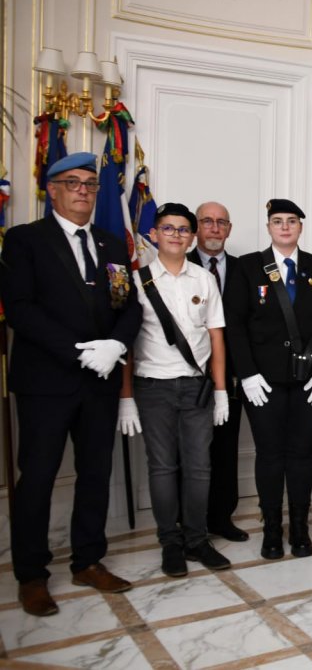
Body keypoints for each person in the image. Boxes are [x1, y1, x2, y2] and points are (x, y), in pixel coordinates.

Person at [1, 152, 141, 616]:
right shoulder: (25, 241)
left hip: (99, 383)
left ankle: (88, 560)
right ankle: (32, 575)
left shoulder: (112, 244)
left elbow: (130, 307)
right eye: (72, 182)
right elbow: (20, 309)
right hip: (47, 382)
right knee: (38, 478)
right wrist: (81, 350)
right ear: (52, 191)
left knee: (95, 475)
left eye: (90, 184)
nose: (83, 190)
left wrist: (115, 348)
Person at [118, 202, 231, 577]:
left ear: (192, 236)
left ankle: (197, 540)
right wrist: (127, 398)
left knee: (199, 468)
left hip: (197, 388)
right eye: (169, 229)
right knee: (163, 468)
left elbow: (216, 337)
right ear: (154, 234)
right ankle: (170, 542)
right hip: (154, 388)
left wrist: (219, 391)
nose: (177, 235)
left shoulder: (204, 279)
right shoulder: (137, 281)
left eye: (184, 229)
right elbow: (128, 343)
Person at [224, 199, 312, 560]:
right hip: (264, 382)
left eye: (291, 221)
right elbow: (236, 325)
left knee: (302, 455)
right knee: (270, 455)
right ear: (269, 227)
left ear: (301, 227)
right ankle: (272, 528)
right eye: (277, 221)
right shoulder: (248, 267)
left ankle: (300, 528)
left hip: (308, 381)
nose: (285, 227)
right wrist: (247, 374)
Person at [187, 201, 248, 542]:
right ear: (196, 227)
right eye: (207, 221)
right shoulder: (180, 262)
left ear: (229, 228)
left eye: (220, 222)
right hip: (189, 373)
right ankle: (189, 522)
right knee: (191, 451)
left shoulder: (244, 269)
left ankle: (222, 517)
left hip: (234, 376)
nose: (214, 228)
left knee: (225, 449)